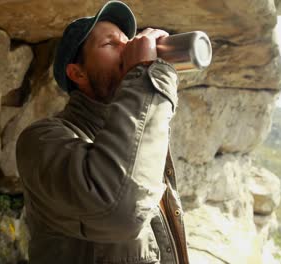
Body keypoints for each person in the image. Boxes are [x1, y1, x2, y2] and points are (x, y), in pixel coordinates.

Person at [16, 1, 189, 263]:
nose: (127, 48)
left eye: (127, 41)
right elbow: (120, 212)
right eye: (110, 44)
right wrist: (146, 78)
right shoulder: (39, 140)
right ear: (78, 73)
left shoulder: (141, 133)